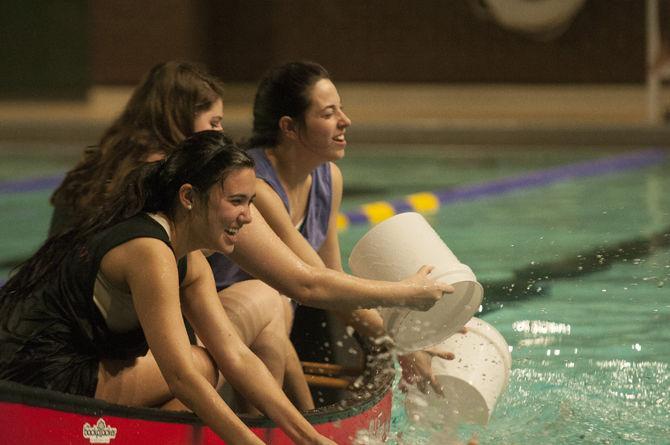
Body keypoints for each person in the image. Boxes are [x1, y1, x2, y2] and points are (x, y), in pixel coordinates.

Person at [0, 131, 336, 445]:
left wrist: (312, 439)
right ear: (189, 197)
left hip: (73, 367)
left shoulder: (189, 260)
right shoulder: (151, 252)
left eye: (250, 202)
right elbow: (182, 378)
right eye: (236, 201)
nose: (247, 216)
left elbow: (238, 357)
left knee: (208, 364)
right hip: (34, 385)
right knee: (199, 369)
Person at [207, 61, 455, 395]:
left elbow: (332, 273)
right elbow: (314, 282)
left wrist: (397, 342)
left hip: (279, 330)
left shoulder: (328, 178)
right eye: (328, 114)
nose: (345, 121)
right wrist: (402, 342)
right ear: (289, 127)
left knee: (365, 342)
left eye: (342, 109)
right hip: (225, 330)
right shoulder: (256, 188)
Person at [49, 60, 225, 235]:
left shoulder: (102, 159)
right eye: (214, 122)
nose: (220, 132)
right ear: (181, 120)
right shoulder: (163, 175)